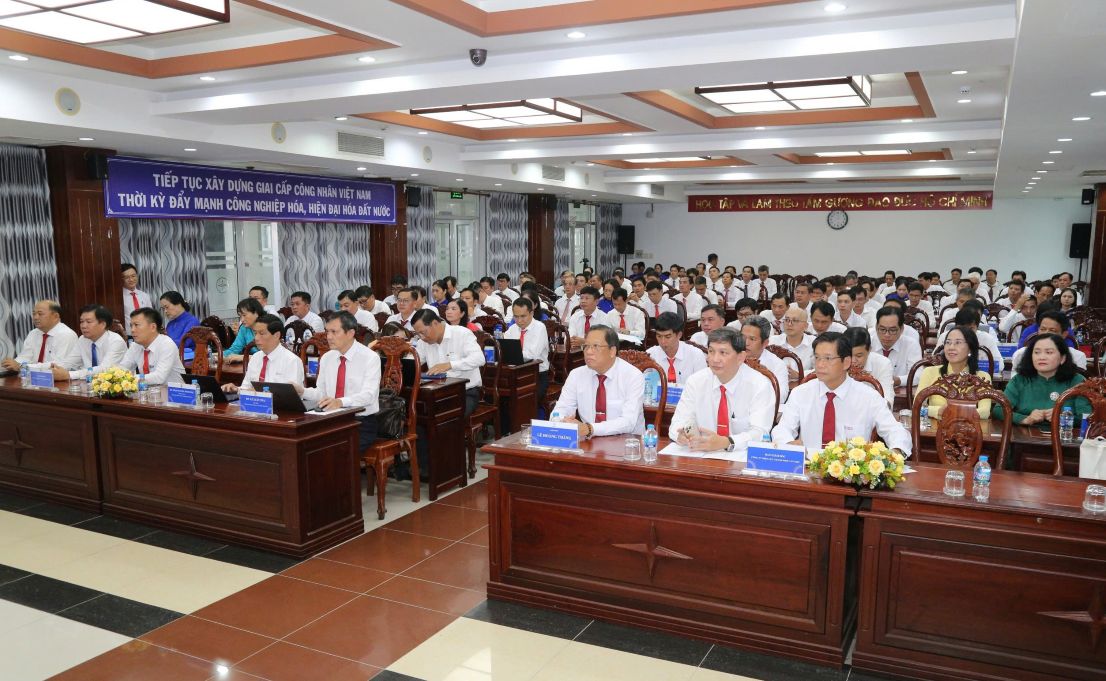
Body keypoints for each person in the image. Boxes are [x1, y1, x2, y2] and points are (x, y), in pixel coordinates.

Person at [772, 332, 911, 453]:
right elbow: (782, 429)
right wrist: (788, 443)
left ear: (846, 362)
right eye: (817, 358)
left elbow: (896, 432)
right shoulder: (800, 393)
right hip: (809, 470)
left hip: (851, 475)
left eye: (828, 358)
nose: (820, 364)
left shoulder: (869, 397)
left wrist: (896, 452)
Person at [669, 327, 774, 456]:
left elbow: (760, 433)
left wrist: (726, 442)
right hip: (700, 455)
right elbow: (678, 422)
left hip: (742, 457)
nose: (714, 359)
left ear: (740, 357)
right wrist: (680, 435)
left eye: (723, 353)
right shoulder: (696, 381)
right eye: (711, 351)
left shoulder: (760, 385)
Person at [299, 312, 380, 449]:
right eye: (327, 331)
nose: (328, 337)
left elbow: (369, 396)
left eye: (334, 332)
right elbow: (322, 393)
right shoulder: (327, 358)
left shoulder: (370, 358)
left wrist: (340, 402)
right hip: (330, 419)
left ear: (350, 333)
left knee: (334, 450)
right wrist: (301, 392)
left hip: (360, 422)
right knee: (305, 445)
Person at [553, 325, 645, 438]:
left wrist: (589, 428)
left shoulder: (633, 376)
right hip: (589, 442)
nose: (588, 352)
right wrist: (560, 422)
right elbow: (562, 409)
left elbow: (628, 422)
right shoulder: (576, 375)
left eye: (595, 346)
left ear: (612, 351)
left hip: (627, 444)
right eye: (586, 346)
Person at [994, 333, 1090, 426]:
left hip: (1065, 437)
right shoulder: (1020, 379)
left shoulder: (1077, 381)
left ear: (1062, 358)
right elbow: (999, 410)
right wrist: (1025, 419)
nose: (1041, 357)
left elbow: (1088, 416)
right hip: (1023, 436)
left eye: (1049, 352)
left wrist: (1062, 417)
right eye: (1036, 352)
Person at [410, 309, 485, 416]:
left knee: (446, 416)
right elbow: (414, 361)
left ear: (435, 323)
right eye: (418, 334)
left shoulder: (461, 333)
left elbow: (479, 358)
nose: (422, 337)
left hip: (465, 392)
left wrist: (450, 365)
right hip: (436, 393)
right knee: (417, 413)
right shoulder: (423, 342)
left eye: (423, 332)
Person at [918, 326, 993, 419]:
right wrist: (937, 411)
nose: (951, 347)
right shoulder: (930, 372)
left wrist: (953, 412)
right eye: (948, 342)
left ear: (970, 348)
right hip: (935, 429)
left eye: (958, 343)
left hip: (969, 430)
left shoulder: (982, 377)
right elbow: (917, 406)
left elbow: (985, 412)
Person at [223, 314, 303, 393]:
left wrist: (260, 392)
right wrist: (237, 389)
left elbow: (293, 395)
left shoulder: (292, 361)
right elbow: (246, 387)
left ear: (276, 335)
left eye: (261, 333)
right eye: (255, 333)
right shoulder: (255, 357)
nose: (256, 338)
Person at [52, 304, 127, 381]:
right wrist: (52, 370)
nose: (83, 326)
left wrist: (69, 375)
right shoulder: (82, 339)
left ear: (103, 324)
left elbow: (104, 370)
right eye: (81, 321)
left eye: (88, 322)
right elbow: (69, 362)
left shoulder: (116, 341)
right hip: (88, 385)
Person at [1, 299, 79, 372]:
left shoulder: (66, 335)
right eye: (34, 314)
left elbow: (58, 365)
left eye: (40, 314)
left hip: (60, 381)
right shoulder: (33, 333)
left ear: (55, 316)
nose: (35, 317)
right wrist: (12, 364)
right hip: (35, 377)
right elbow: (25, 356)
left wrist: (22, 366)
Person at [116, 308, 186, 385]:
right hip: (148, 392)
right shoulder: (135, 345)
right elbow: (122, 368)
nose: (132, 330)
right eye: (131, 326)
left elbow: (159, 377)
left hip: (173, 393)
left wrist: (129, 378)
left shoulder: (167, 344)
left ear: (153, 327)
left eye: (136, 325)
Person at [504, 297, 550, 409]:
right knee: (504, 399)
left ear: (532, 313)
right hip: (515, 373)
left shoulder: (540, 327)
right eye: (516, 316)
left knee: (525, 401)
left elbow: (532, 355)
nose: (519, 320)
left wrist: (514, 353)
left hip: (537, 375)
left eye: (523, 316)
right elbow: (504, 349)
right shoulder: (513, 328)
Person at [1010, 311, 1088, 369]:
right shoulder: (1021, 354)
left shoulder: (1077, 356)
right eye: (1043, 329)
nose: (1046, 334)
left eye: (1052, 330)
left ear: (1064, 334)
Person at [647, 312, 707, 386]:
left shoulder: (696, 355)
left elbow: (702, 385)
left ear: (679, 335)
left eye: (667, 337)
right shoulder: (650, 355)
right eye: (659, 336)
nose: (662, 342)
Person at [739, 316, 789, 402]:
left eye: (752, 339)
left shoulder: (777, 365)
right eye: (743, 337)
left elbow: (781, 396)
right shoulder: (731, 356)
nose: (746, 343)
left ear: (765, 343)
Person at [843, 327, 893, 407]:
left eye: (859, 356)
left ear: (869, 349)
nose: (853, 361)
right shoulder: (836, 362)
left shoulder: (883, 364)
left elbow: (887, 401)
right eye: (848, 355)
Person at [871, 307, 921, 388]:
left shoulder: (911, 344)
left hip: (899, 394)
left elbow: (917, 376)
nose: (887, 335)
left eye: (892, 330)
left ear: (901, 329)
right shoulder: (868, 342)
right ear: (876, 327)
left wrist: (898, 380)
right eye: (882, 329)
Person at [769, 307, 813, 377]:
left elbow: (819, 369)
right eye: (787, 320)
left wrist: (800, 375)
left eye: (795, 320)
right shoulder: (773, 341)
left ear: (806, 326)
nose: (789, 324)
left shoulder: (814, 343)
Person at [223, 297, 265, 363]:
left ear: (256, 313)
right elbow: (235, 349)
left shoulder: (268, 325)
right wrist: (217, 356)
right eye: (240, 316)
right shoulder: (244, 328)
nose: (242, 320)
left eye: (244, 315)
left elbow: (269, 355)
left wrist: (243, 357)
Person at [121, 263, 153, 336]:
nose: (131, 279)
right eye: (126, 277)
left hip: (146, 335)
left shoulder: (144, 296)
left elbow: (150, 316)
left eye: (133, 276)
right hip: (129, 336)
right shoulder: (119, 298)